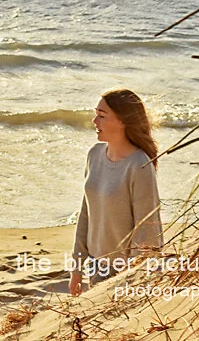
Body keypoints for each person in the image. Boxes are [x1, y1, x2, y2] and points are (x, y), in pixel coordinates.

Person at [69, 89, 163, 295]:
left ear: (123, 121)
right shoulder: (94, 155)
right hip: (95, 265)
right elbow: (86, 213)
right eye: (96, 114)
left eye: (102, 116)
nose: (94, 121)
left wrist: (131, 275)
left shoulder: (139, 165)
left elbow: (146, 228)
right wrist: (77, 267)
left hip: (125, 270)